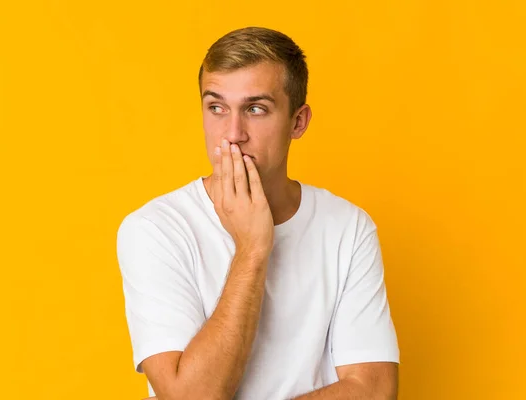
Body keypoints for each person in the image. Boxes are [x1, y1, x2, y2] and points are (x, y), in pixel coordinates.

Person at [116, 26, 400, 400]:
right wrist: (251, 248)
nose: (232, 134)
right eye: (216, 107)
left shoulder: (348, 228)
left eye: (255, 109)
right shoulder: (155, 230)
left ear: (298, 122)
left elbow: (374, 391)